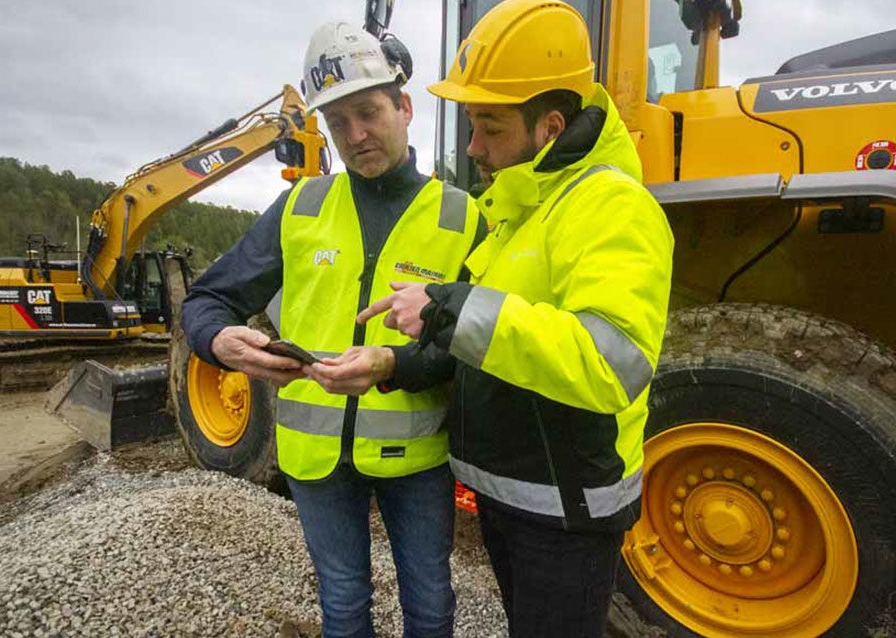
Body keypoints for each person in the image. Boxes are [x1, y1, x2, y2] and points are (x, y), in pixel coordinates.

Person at [349, 1, 674, 636]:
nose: (472, 148)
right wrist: (392, 363)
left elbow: (608, 362)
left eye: (490, 128)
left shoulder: (612, 207)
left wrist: (450, 306)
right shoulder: (520, 210)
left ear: (550, 127)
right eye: (470, 126)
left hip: (564, 513)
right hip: (514, 499)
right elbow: (485, 345)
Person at [180, 21, 484, 638]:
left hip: (417, 457)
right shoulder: (300, 207)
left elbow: (476, 348)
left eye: (369, 113)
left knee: (429, 604)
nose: (356, 135)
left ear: (404, 106)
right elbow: (209, 297)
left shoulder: (462, 217)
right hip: (315, 458)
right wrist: (217, 340)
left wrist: (392, 366)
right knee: (342, 604)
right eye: (337, 122)